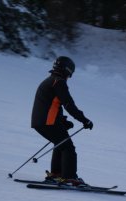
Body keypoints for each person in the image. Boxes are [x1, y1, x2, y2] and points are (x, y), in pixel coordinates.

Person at [31, 56, 93, 186]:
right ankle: (69, 177)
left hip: (40, 122)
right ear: (67, 70)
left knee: (60, 143)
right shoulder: (59, 82)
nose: (69, 77)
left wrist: (62, 122)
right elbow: (68, 104)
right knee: (68, 147)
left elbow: (50, 105)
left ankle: (56, 174)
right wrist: (84, 120)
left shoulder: (49, 80)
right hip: (48, 122)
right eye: (70, 74)